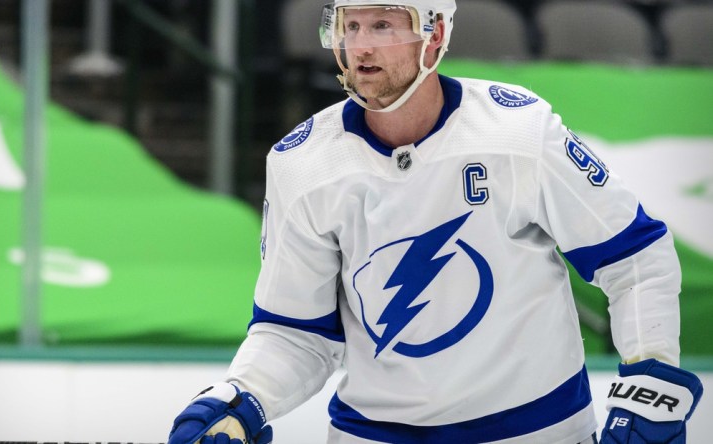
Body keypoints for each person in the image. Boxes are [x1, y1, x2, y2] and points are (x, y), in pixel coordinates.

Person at [168, 1, 703, 443]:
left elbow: (633, 258)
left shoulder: (518, 131)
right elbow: (296, 332)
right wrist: (243, 396)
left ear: (435, 33)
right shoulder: (303, 164)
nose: (362, 46)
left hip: (539, 432)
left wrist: (650, 380)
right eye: (350, 26)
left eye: (382, 24)